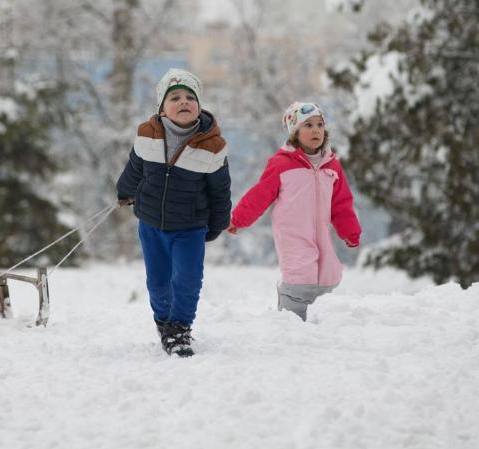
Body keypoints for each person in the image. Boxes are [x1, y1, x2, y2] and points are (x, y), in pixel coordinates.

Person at [116, 68, 231, 357]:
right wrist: (125, 191)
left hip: (191, 227)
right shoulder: (147, 135)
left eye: (190, 97)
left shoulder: (213, 146)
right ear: (162, 108)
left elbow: (220, 191)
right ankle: (163, 320)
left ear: (199, 105)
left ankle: (180, 328)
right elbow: (135, 169)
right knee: (157, 280)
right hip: (151, 223)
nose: (183, 102)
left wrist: (217, 224)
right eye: (175, 97)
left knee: (188, 279)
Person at [226, 101, 361, 321]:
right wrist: (239, 219)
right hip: (293, 234)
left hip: (321, 234)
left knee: (327, 277)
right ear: (295, 132)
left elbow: (341, 203)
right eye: (307, 125)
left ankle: (321, 323)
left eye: (319, 124)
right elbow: (260, 195)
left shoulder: (332, 166)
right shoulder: (282, 164)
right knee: (299, 277)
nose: (316, 130)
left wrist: (350, 232)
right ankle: (290, 321)